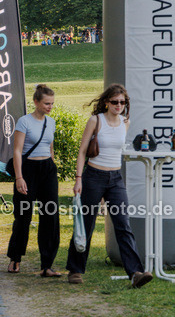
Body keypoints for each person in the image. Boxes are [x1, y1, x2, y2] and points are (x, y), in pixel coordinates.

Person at [66, 84, 154, 289]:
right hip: (93, 176)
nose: (119, 106)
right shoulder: (95, 120)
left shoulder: (125, 122)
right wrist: (78, 178)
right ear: (106, 102)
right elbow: (81, 152)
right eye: (114, 102)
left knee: (123, 224)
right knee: (86, 224)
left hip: (115, 178)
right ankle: (75, 270)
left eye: (122, 102)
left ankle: (135, 273)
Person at [6, 84, 61, 277]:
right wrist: (19, 177)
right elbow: (17, 151)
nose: (49, 107)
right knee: (23, 216)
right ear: (36, 102)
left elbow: (50, 148)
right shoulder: (24, 122)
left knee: (50, 216)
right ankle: (15, 258)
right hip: (28, 169)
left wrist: (53, 171)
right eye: (46, 103)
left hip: (47, 170)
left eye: (52, 103)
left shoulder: (51, 122)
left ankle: (47, 265)